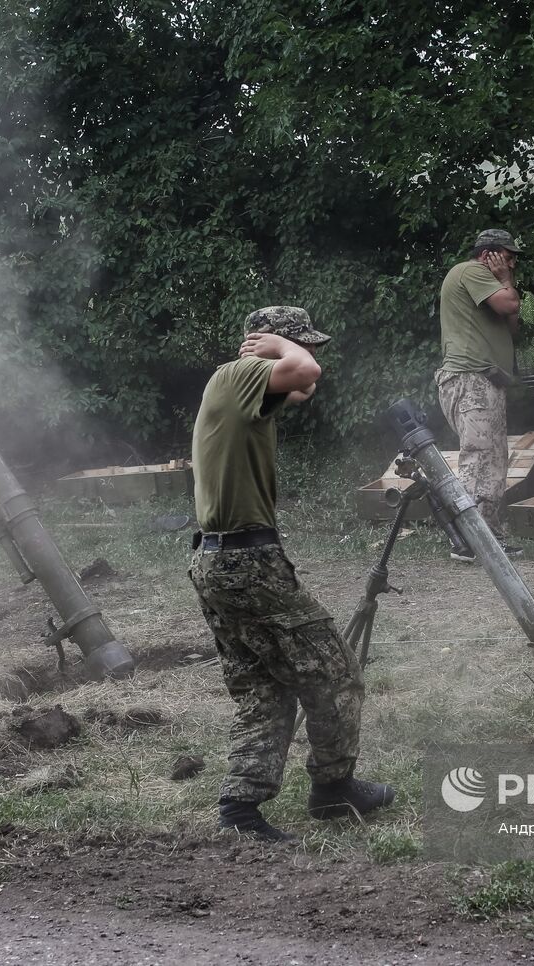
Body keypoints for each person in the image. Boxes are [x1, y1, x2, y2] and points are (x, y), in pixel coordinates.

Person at [189, 306, 395, 842]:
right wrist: (280, 348)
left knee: (265, 688)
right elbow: (306, 373)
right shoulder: (239, 374)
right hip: (248, 565)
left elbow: (300, 387)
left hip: (217, 562)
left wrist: (285, 357)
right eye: (298, 343)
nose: (308, 353)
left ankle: (240, 808)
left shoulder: (240, 390)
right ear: (266, 343)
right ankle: (333, 788)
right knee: (337, 673)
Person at [435, 228, 524, 562]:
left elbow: (511, 322)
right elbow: (510, 302)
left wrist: (506, 282)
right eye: (508, 255)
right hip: (471, 379)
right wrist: (506, 278)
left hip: (484, 381)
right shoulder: (471, 271)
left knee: (492, 459)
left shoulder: (487, 283)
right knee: (479, 458)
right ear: (489, 254)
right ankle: (468, 540)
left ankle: (487, 536)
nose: (512, 262)